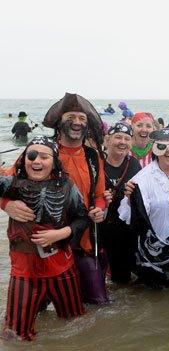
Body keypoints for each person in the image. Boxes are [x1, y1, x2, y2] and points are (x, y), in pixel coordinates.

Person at [0, 136, 88, 341]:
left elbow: (82, 218)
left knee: (75, 324)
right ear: (23, 160)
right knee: (15, 334)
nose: (36, 161)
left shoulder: (68, 186)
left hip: (61, 267)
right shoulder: (12, 184)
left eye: (44, 156)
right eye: (31, 155)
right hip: (24, 270)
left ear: (55, 161)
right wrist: (5, 205)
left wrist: (61, 233)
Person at [25, 93, 107, 305]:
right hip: (45, 240)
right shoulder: (40, 151)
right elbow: (9, 184)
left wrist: (100, 209)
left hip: (84, 239)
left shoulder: (93, 156)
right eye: (71, 116)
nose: (77, 122)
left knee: (99, 304)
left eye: (82, 118)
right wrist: (8, 204)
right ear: (59, 122)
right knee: (33, 308)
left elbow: (99, 196)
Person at [119, 128, 169, 287]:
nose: (168, 152)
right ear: (155, 150)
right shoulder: (143, 179)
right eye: (162, 147)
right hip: (154, 251)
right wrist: (130, 198)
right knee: (153, 294)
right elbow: (131, 218)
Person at [100, 123, 142, 283]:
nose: (122, 142)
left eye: (127, 138)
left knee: (122, 278)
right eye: (118, 137)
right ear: (107, 140)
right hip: (100, 225)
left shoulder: (134, 164)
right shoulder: (96, 163)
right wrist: (99, 197)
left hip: (125, 228)